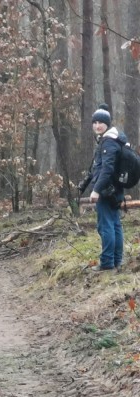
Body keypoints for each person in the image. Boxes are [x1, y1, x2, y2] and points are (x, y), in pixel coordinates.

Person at [78, 104, 125, 272]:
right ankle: (117, 261)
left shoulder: (108, 143)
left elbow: (106, 170)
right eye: (95, 122)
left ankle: (107, 263)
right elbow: (98, 169)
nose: (97, 125)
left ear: (107, 123)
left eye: (101, 122)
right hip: (115, 190)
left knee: (106, 226)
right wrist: (85, 184)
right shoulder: (114, 139)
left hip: (107, 191)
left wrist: (96, 190)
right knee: (114, 224)